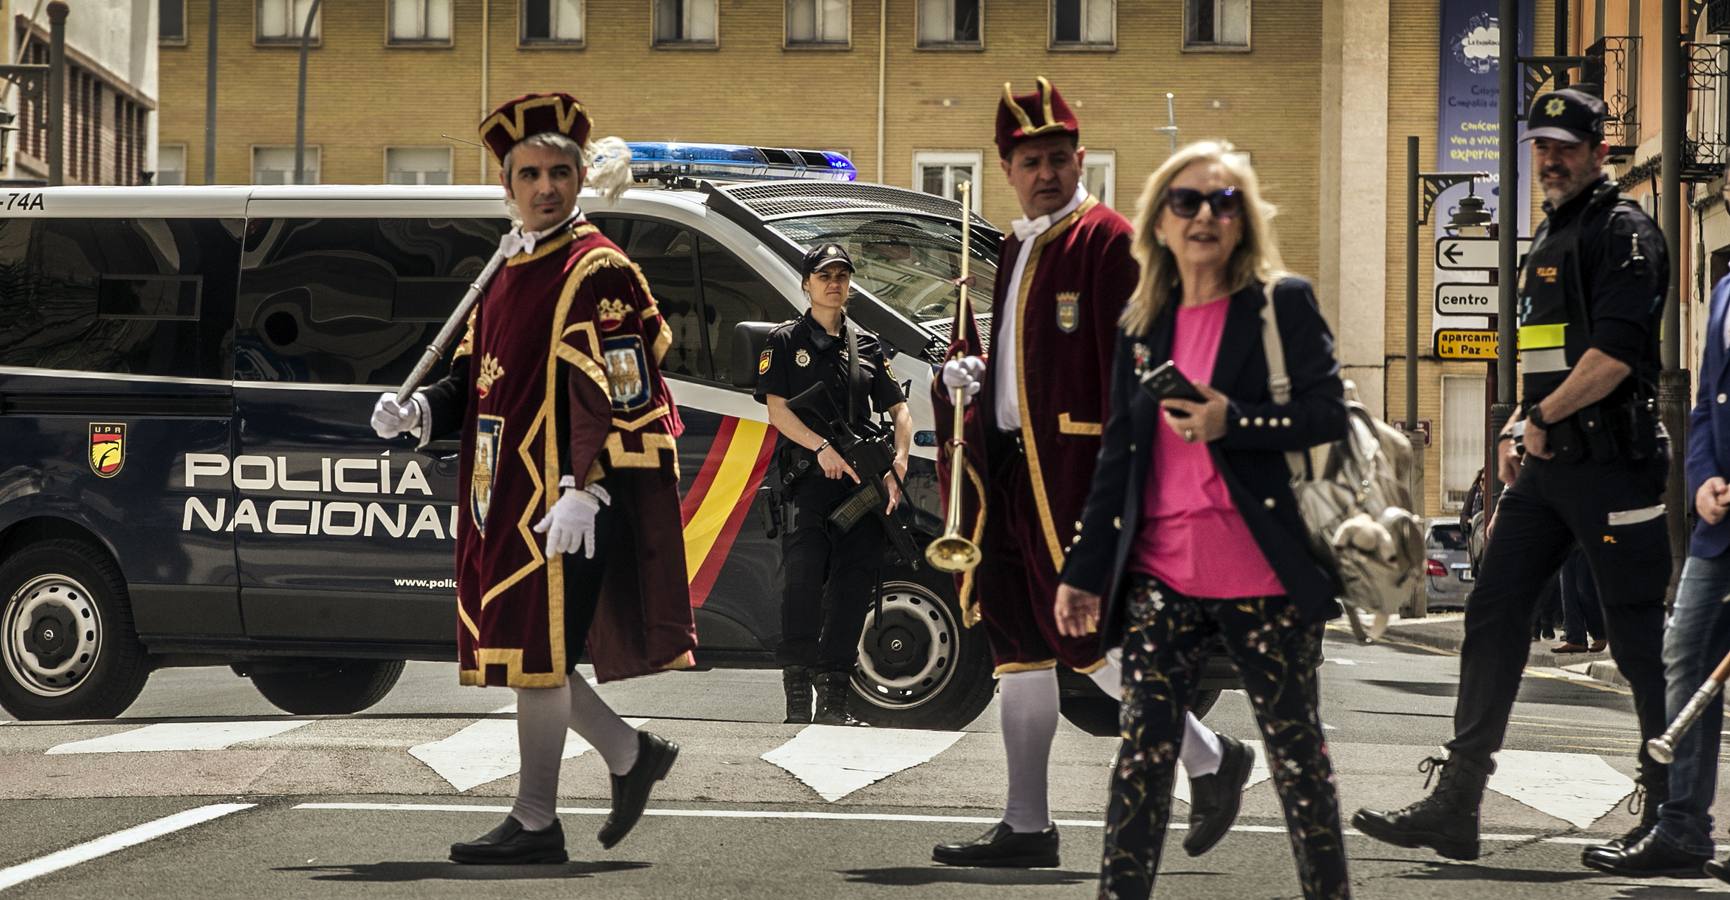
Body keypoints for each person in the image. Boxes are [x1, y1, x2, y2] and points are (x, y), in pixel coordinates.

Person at [370, 92, 698, 865]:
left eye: (559, 172)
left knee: (540, 654)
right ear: (506, 185)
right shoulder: (508, 267)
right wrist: (416, 415)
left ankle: (536, 820)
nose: (545, 187)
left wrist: (587, 487)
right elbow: (475, 383)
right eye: (529, 174)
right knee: (528, 652)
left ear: (581, 176)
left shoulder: (598, 269)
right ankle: (629, 756)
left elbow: (627, 386)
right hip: (502, 493)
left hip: (566, 497)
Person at [930, 76, 1247, 870]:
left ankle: (1211, 761)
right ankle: (1027, 824)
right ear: (1007, 166)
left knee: (1086, 640)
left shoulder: (1108, 242)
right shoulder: (1016, 245)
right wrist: (965, 375)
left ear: (1080, 160)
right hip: (1008, 471)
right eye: (1031, 159)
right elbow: (1017, 360)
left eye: (1060, 158)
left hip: (1077, 474)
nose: (1047, 172)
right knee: (1017, 646)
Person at [1353, 87, 1672, 868]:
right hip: (1551, 467)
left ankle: (1672, 814)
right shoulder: (1552, 235)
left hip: (1614, 468)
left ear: (1601, 150)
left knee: (1637, 644)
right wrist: (1514, 421)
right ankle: (1457, 803)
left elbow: (1618, 353)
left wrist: (1540, 417)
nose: (1551, 157)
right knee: (1492, 616)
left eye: (1567, 145)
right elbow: (1546, 355)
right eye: (1541, 145)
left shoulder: (1623, 232)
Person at [1054, 140, 1351, 900]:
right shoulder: (1142, 321)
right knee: (1142, 765)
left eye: (1224, 202)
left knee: (1298, 768)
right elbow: (1118, 456)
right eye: (1186, 202)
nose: (1205, 216)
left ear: (1244, 220)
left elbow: (1327, 418)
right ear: (1158, 222)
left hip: (1265, 577)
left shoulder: (1282, 303)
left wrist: (1234, 423)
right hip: (1162, 579)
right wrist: (1084, 572)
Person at [1581, 217, 1730, 880]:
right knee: (1686, 654)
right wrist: (1701, 481)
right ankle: (1682, 830)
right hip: (1718, 524)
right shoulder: (1727, 289)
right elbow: (1706, 404)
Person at [755, 243, 913, 727]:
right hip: (809, 480)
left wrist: (899, 460)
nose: (834, 283)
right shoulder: (783, 342)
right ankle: (798, 694)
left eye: (843, 275)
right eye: (825, 275)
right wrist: (821, 448)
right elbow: (777, 409)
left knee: (851, 585)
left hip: (860, 484)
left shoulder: (866, 346)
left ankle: (836, 699)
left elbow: (899, 409)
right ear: (807, 283)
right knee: (801, 582)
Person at [1552, 549, 1606, 654]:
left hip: (1588, 540)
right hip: (1567, 540)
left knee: (1585, 588)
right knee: (1568, 591)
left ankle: (1599, 633)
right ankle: (1575, 639)